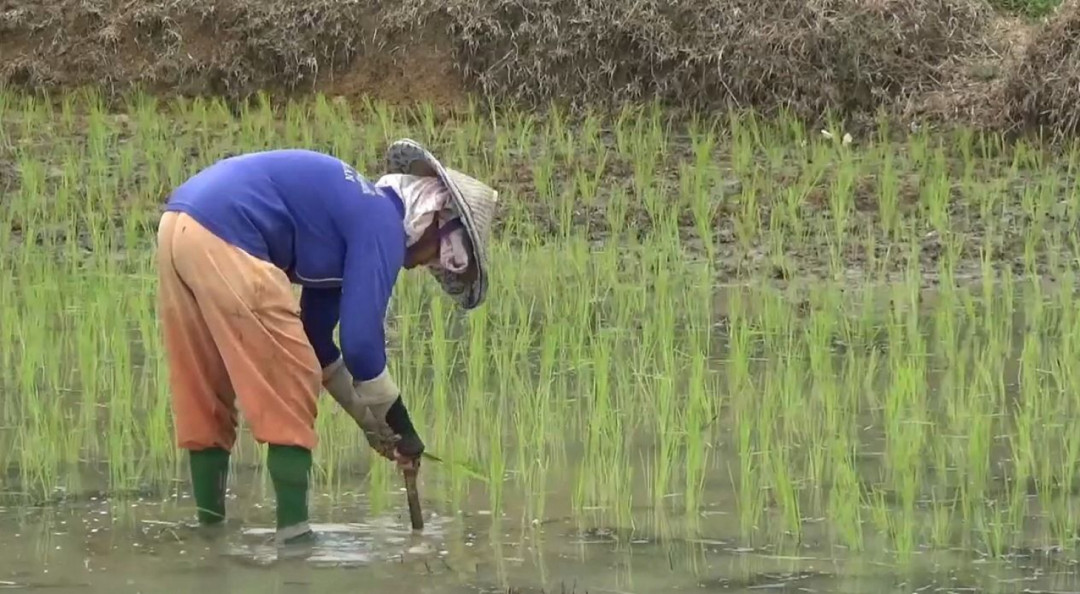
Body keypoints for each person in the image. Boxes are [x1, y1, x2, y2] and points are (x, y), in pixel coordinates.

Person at [154, 139, 498, 547]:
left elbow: (319, 341)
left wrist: (375, 427)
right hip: (228, 232)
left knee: (206, 385)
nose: (429, 264)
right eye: (448, 256)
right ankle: (295, 544)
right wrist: (405, 429)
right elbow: (361, 347)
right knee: (290, 376)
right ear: (435, 218)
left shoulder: (350, 214)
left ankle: (208, 538)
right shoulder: (380, 223)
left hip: (179, 225)